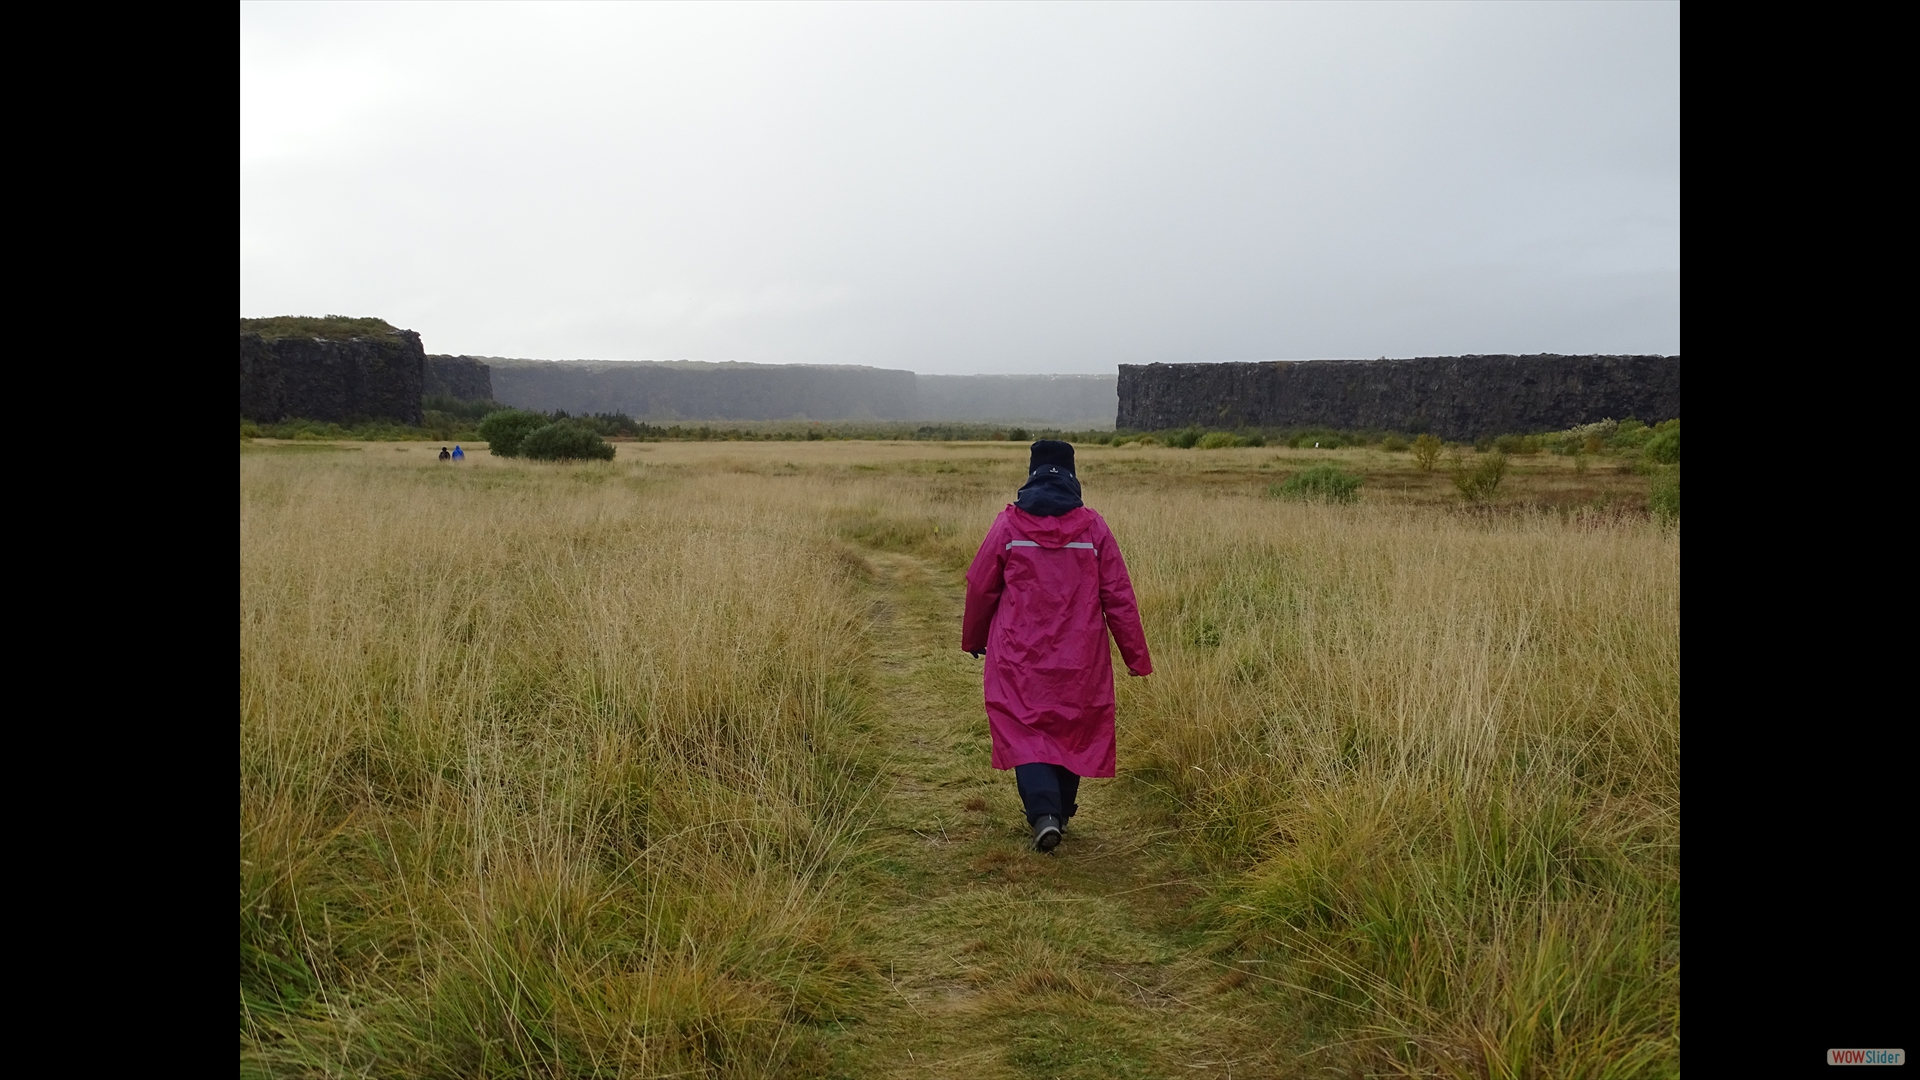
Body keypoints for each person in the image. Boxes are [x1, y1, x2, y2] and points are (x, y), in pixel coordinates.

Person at [962, 440, 1153, 852]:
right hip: (1080, 660)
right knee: (1074, 731)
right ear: (1072, 475)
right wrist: (1136, 658)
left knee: (1025, 730)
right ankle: (1060, 811)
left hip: (1018, 657)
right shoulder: (1094, 528)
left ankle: (1046, 814)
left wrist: (974, 638)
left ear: (1032, 472)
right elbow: (1119, 597)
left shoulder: (1009, 527)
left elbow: (981, 587)